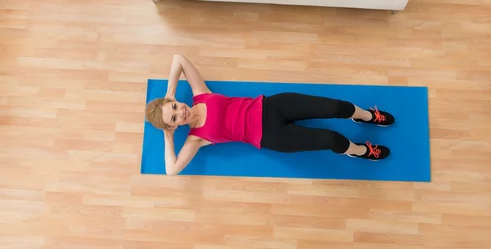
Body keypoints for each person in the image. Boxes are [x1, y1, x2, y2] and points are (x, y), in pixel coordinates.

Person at [145, 54, 395, 175]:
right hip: (273, 136)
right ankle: (362, 151)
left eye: (176, 108)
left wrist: (170, 96)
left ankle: (363, 116)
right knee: (331, 140)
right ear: (175, 126)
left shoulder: (201, 94)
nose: (181, 112)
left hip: (272, 106)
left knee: (337, 107)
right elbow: (171, 169)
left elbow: (178, 59)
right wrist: (168, 135)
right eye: (174, 118)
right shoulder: (196, 138)